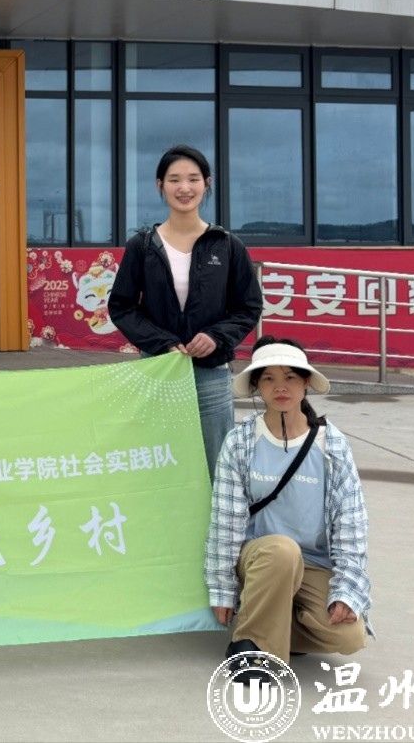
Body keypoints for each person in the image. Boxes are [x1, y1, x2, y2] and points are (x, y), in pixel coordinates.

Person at [205, 336, 370, 673]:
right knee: (282, 550)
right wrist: (222, 588)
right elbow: (226, 521)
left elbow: (350, 524)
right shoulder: (240, 441)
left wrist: (346, 591)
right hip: (261, 561)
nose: (280, 387)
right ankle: (251, 650)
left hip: (313, 563)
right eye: (268, 378)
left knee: (349, 637)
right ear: (257, 386)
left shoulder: (331, 444)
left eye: (290, 377)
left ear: (306, 383)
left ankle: (270, 626)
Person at [107, 144, 263, 478]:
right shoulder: (142, 246)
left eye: (193, 179)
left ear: (207, 183)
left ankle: (215, 516)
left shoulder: (227, 245)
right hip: (158, 371)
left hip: (210, 374)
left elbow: (248, 306)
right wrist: (161, 343)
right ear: (160, 185)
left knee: (215, 467)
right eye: (174, 179)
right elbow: (121, 306)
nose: (184, 187)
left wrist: (216, 337)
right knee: (158, 462)